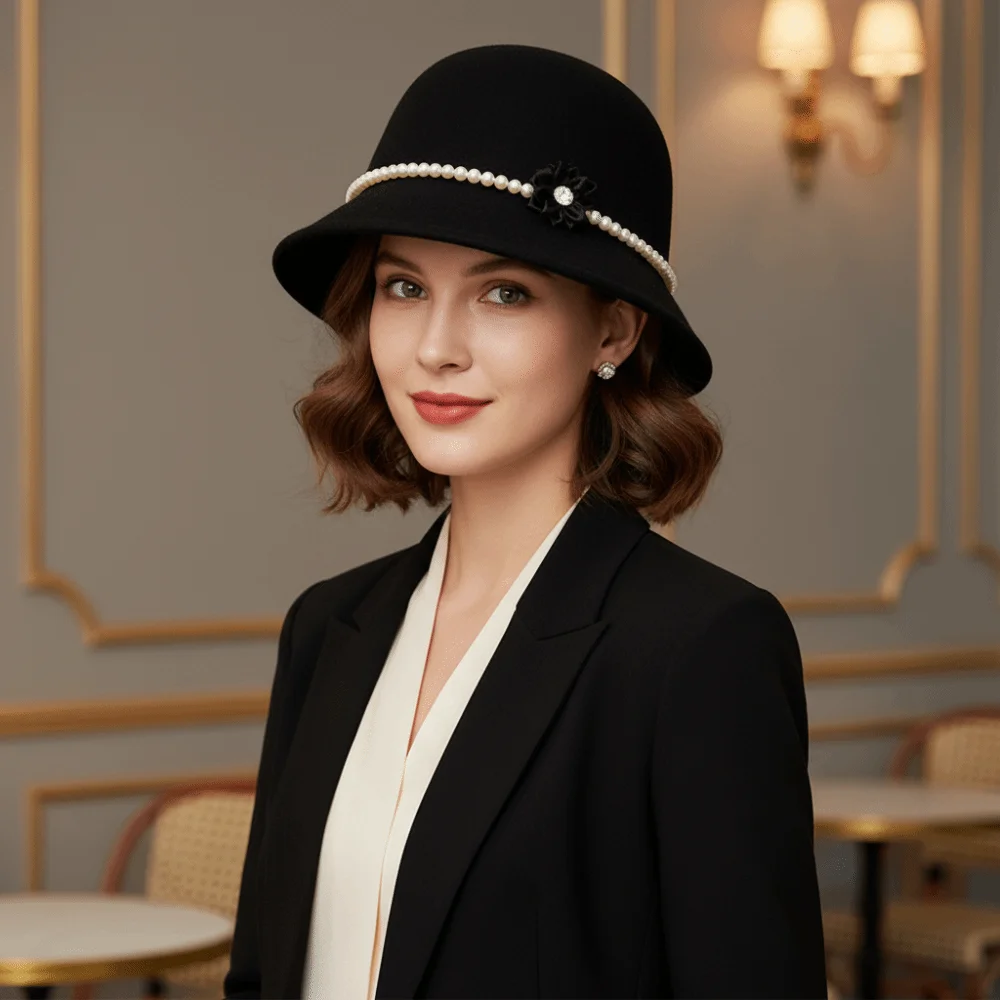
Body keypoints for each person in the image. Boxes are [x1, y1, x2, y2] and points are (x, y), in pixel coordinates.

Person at [223, 43, 827, 1000]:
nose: (435, 348)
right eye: (403, 286)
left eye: (505, 293)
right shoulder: (327, 628)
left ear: (615, 333)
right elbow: (262, 975)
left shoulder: (699, 647)